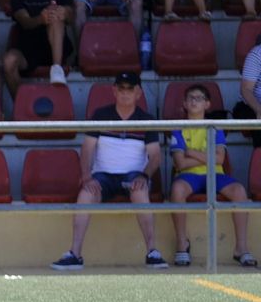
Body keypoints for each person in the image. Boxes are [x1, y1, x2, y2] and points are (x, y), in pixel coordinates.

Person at [51, 72, 165, 271]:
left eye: (130, 89)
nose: (125, 93)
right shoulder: (100, 115)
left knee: (140, 190)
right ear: (114, 91)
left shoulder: (147, 120)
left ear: (138, 93)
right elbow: (87, 149)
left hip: (133, 175)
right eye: (121, 88)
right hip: (103, 176)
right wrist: (86, 176)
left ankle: (152, 252)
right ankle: (75, 254)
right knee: (85, 194)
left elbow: (155, 156)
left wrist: (144, 175)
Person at [168, 83, 254, 268]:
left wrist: (191, 152)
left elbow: (220, 160)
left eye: (199, 98)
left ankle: (241, 248)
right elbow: (181, 163)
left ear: (207, 104)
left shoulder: (215, 128)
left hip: (215, 175)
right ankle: (182, 245)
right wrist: (208, 157)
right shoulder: (178, 129)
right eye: (190, 98)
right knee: (177, 190)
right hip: (188, 176)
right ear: (184, 103)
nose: (194, 101)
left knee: (239, 191)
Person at [3, 0, 73, 94]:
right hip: (27, 50)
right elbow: (24, 21)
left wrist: (64, 12)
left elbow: (71, 15)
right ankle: (21, 105)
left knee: (55, 15)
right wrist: (41, 19)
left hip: (55, 49)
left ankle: (56, 69)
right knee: (8, 61)